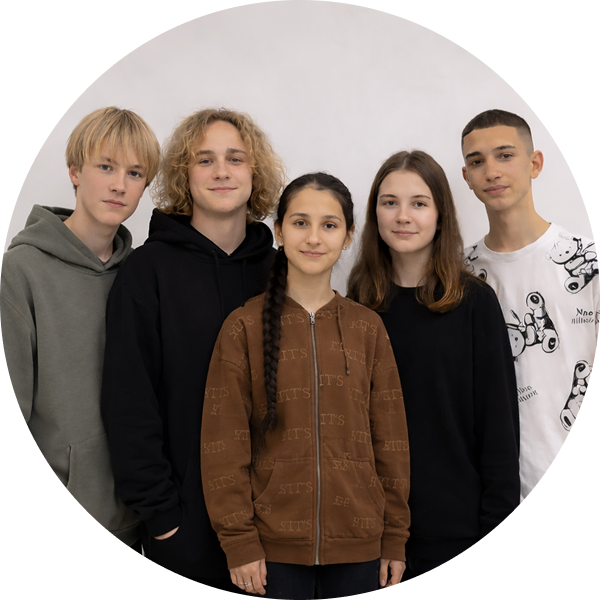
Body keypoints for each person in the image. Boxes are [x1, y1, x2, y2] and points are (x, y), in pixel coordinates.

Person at [200, 172, 410, 599]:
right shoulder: (243, 326)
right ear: (279, 231)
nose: (314, 238)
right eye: (300, 223)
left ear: (348, 236)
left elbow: (391, 443)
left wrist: (394, 537)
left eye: (329, 225)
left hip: (360, 546)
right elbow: (223, 445)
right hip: (269, 552)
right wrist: (239, 542)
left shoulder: (368, 328)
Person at [100, 108, 286, 586]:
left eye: (235, 158)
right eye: (205, 160)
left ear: (255, 172)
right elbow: (129, 401)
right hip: (185, 528)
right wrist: (162, 517)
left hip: (281, 524)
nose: (221, 171)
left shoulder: (282, 272)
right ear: (184, 175)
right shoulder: (146, 272)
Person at [347, 150, 520, 578]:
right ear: (374, 213)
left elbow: (499, 428)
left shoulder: (474, 303)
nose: (403, 216)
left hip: (456, 532)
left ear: (441, 216)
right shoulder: (359, 304)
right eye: (389, 202)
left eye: (419, 203)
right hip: (372, 535)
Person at [0, 106, 160, 546]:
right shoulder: (21, 272)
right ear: (74, 171)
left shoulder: (142, 274)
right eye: (106, 167)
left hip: (136, 521)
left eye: (134, 173)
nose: (119, 185)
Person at [461, 109, 598, 501]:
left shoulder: (586, 261)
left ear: (534, 163)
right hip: (497, 492)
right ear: (466, 177)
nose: (491, 171)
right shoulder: (460, 275)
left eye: (505, 155)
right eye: (477, 162)